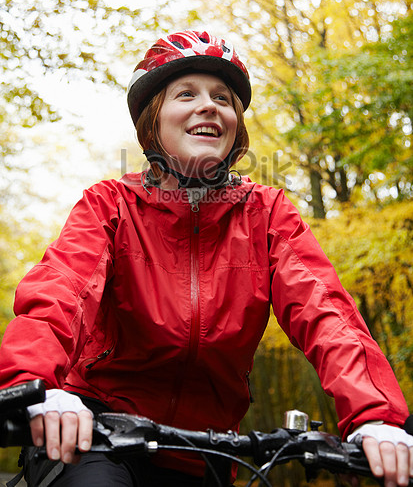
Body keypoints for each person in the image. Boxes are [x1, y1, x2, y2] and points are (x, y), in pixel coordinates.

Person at [0, 30, 412, 487]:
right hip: (95, 431)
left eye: (223, 97)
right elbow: (61, 291)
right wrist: (35, 385)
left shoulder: (267, 212)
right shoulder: (110, 204)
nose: (209, 105)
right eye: (186, 93)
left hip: (209, 447)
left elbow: (326, 311)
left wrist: (376, 416)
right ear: (153, 122)